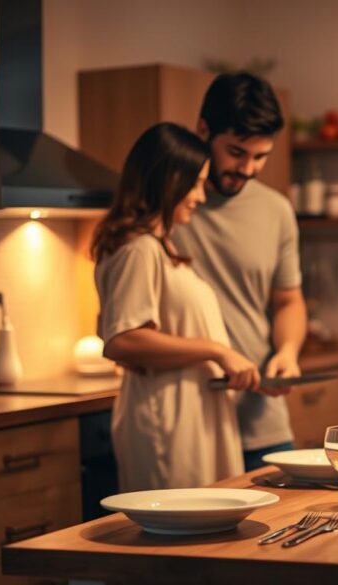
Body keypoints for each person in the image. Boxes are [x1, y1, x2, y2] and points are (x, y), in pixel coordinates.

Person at [91, 122, 263, 492]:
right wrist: (218, 351)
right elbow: (122, 339)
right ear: (169, 180)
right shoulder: (140, 250)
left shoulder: (157, 249)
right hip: (168, 422)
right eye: (196, 183)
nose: (201, 196)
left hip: (191, 416)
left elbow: (111, 325)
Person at [172, 72, 308, 470]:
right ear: (202, 130)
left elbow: (288, 301)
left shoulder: (276, 209)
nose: (247, 168)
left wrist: (287, 352)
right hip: (191, 420)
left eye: (260, 156)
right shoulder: (170, 207)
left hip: (262, 421)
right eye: (236, 152)